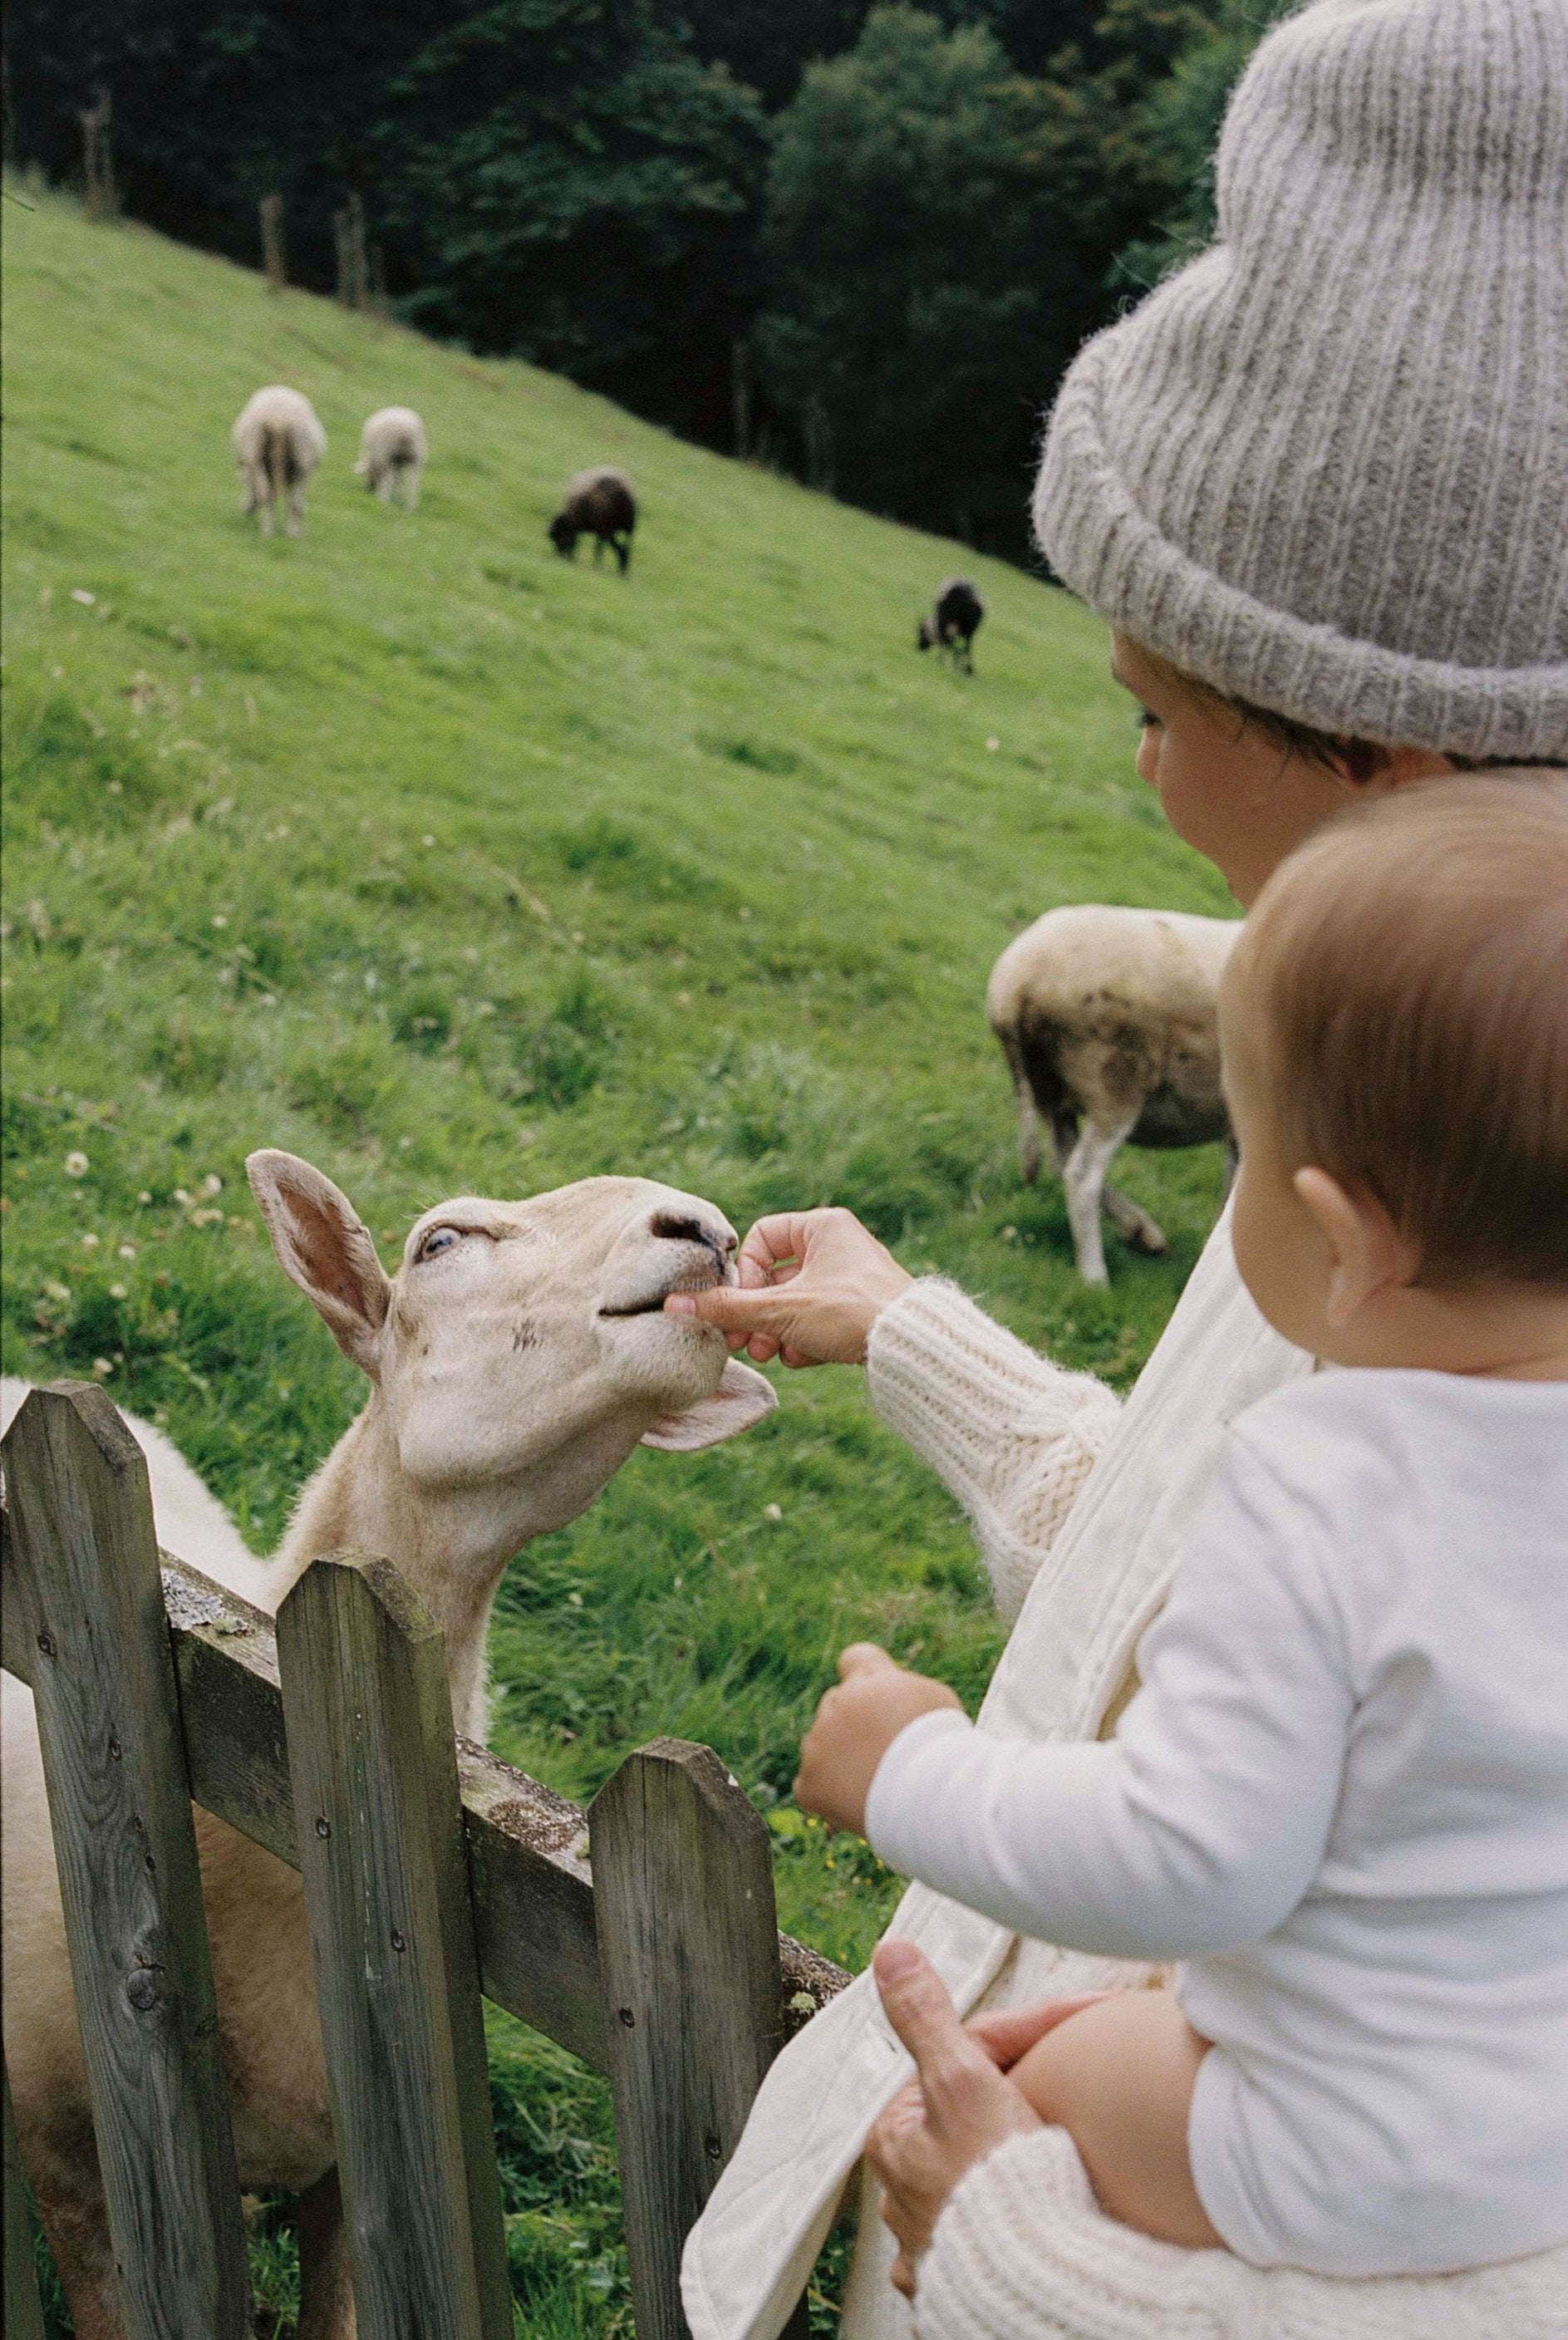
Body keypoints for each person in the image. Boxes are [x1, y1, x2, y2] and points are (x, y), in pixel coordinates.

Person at [677, 4, 1568, 2335]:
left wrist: (1017, 2264)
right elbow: (1272, 1594)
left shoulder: (1362, 1104)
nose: (1139, 775)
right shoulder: (1449, 1123)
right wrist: (929, 1348)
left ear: (1375, 754)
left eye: (1157, 715)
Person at [792, 776, 1568, 2285]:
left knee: (1040, 2081)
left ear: (1342, 1244)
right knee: (1115, 2028)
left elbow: (1187, 1857)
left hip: (1330, 2148)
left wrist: (913, 1771)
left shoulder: (1323, 1476)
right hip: (1536, 2145)